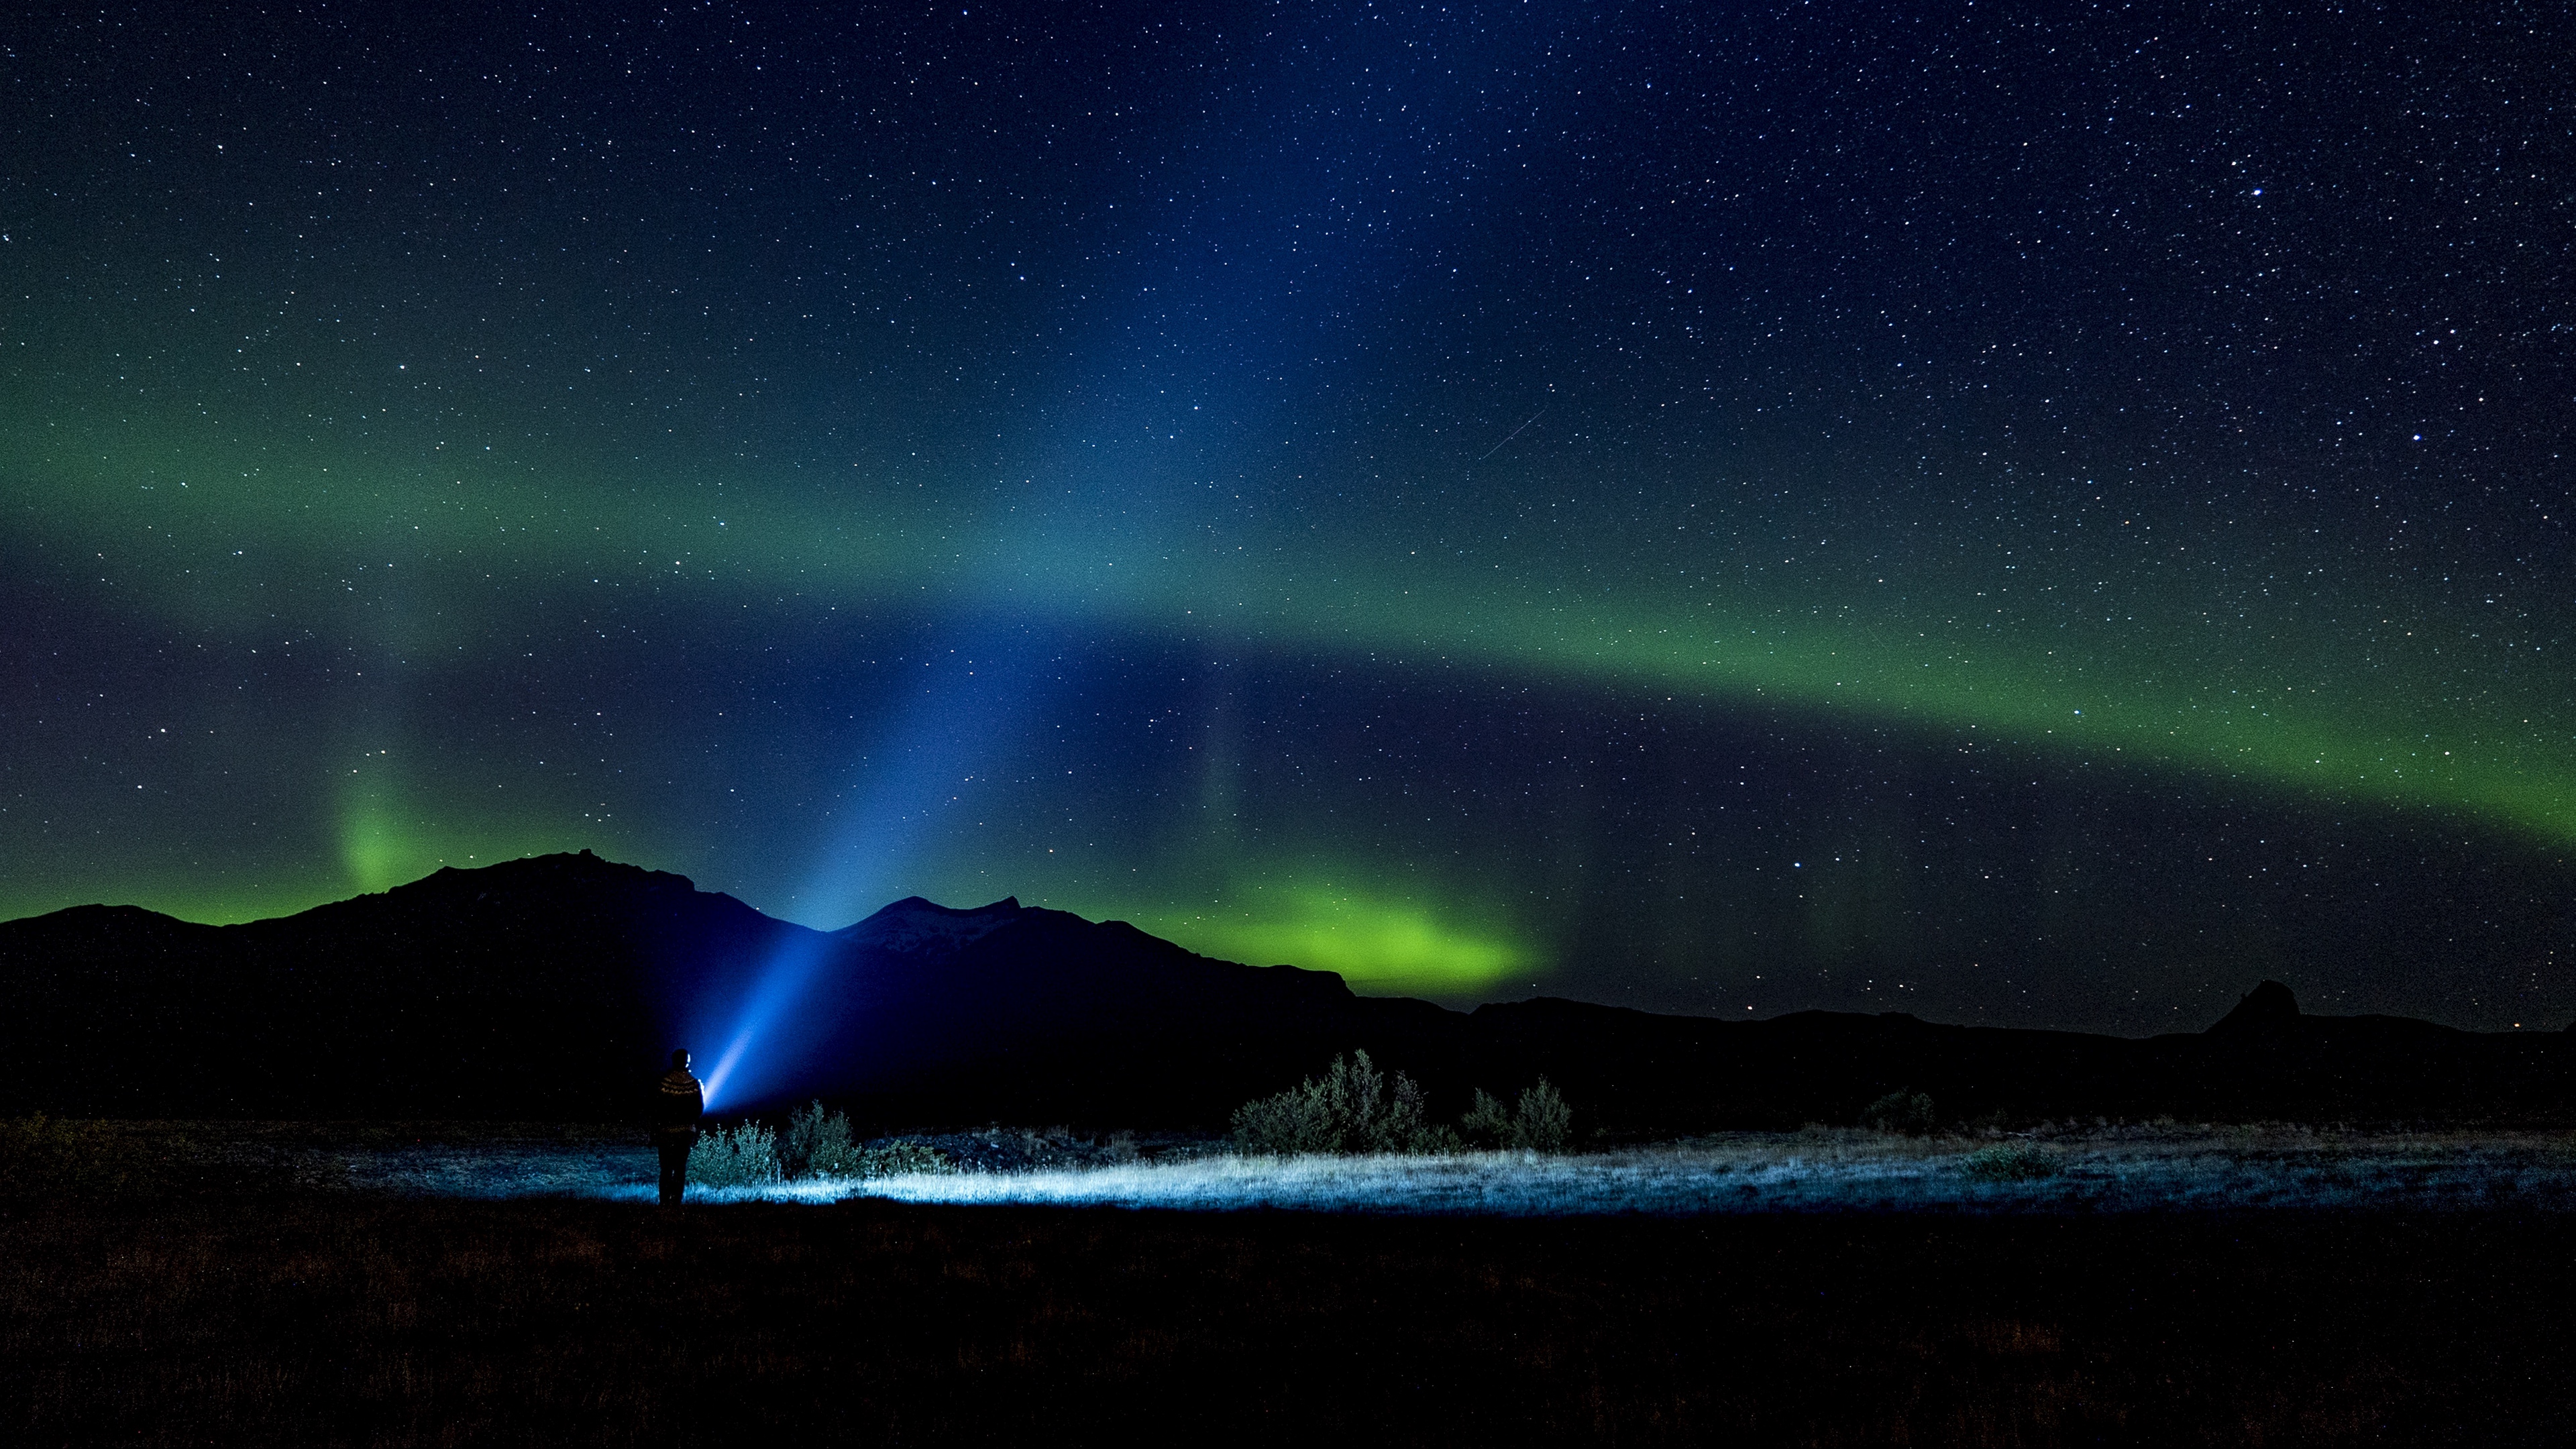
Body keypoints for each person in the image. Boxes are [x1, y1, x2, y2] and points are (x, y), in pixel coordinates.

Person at [652, 1048, 705, 1206]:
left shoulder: (663, 1082)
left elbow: (656, 1108)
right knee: (680, 1168)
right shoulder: (695, 1084)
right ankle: (676, 1203)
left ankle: (664, 1203)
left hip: (666, 1132)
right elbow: (700, 1109)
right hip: (686, 1132)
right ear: (687, 1062)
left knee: (666, 1168)